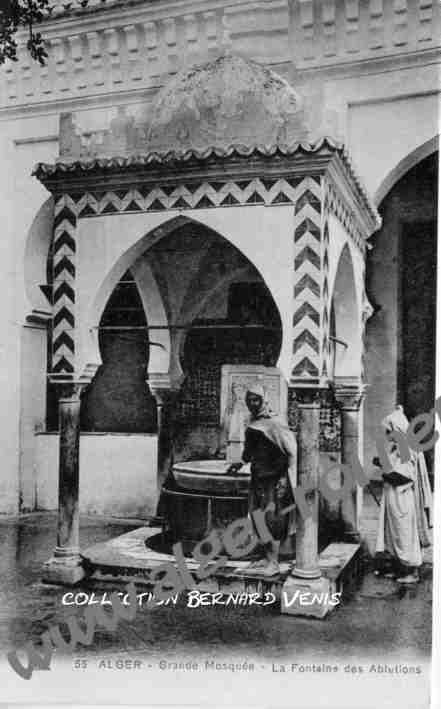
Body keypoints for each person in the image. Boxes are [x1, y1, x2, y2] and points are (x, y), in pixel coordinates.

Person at [228, 383, 297, 576]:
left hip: (274, 480)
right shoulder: (251, 423)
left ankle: (274, 562)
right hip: (257, 478)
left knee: (273, 519)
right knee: (257, 517)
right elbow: (249, 452)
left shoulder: (275, 423)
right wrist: (239, 463)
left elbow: (290, 452)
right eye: (249, 400)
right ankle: (266, 557)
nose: (252, 403)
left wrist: (285, 479)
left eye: (256, 399)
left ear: (264, 400)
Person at [374, 406, 433, 584]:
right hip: (393, 497)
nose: (387, 434)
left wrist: (384, 471)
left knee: (404, 534)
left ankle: (411, 572)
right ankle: (398, 567)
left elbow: (404, 477)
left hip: (402, 498)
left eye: (388, 431)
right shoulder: (397, 447)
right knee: (394, 535)